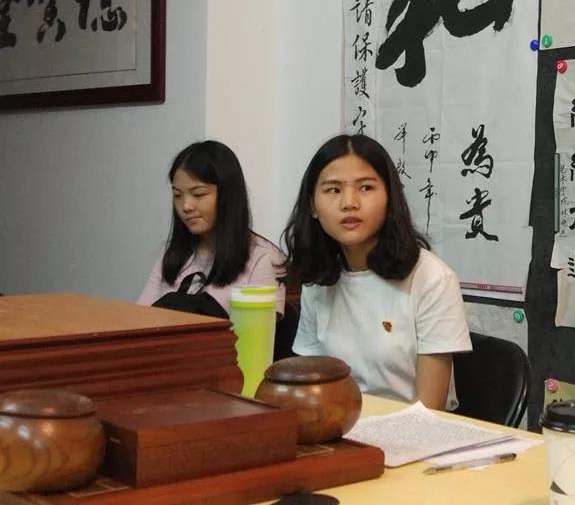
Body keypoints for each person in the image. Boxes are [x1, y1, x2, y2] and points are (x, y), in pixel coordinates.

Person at [282, 134, 471, 410]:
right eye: (333, 190)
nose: (349, 202)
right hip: (336, 424)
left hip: (410, 430)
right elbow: (310, 387)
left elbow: (429, 410)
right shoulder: (318, 278)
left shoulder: (432, 279)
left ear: (389, 199)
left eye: (366, 188)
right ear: (312, 206)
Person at [138, 140, 285, 316]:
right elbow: (141, 316)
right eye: (177, 195)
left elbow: (261, 328)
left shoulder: (263, 257)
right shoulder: (171, 254)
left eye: (198, 194)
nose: (186, 206)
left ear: (227, 195)